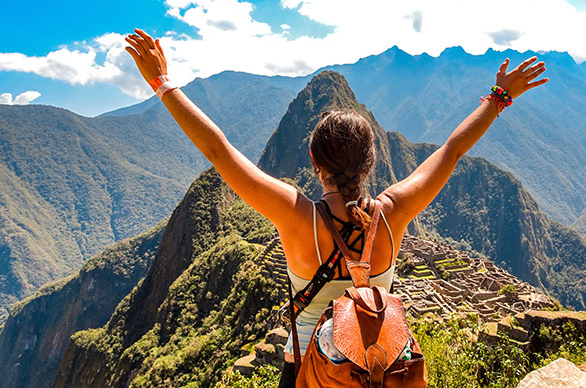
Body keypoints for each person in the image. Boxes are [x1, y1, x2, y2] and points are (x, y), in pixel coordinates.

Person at [124, 28, 548, 386]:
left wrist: (162, 83)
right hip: (378, 370)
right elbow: (453, 151)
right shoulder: (393, 212)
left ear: (313, 162)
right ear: (372, 161)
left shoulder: (295, 217)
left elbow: (219, 151)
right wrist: (498, 97)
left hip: (311, 371)